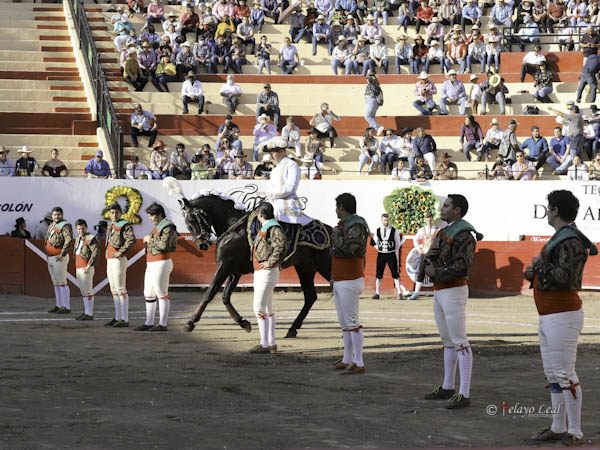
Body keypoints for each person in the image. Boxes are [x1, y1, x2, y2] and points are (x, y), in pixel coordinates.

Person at [525, 190, 597, 447]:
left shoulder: (570, 241)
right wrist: (533, 271)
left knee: (565, 374)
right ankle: (558, 426)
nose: (546, 210)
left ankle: (575, 432)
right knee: (553, 374)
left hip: (562, 314)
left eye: (548, 207)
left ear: (555, 210)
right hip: (550, 314)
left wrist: (537, 267)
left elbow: (566, 277)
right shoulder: (564, 238)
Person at [422, 194, 482, 409]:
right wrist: (429, 255)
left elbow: (463, 267)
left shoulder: (465, 234)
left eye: (446, 206)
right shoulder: (443, 232)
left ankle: (464, 393)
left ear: (457, 210)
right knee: (448, 341)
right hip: (441, 291)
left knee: (459, 340)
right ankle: (448, 386)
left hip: (454, 290)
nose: (442, 209)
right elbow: (428, 266)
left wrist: (435, 270)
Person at [330, 193, 369, 374]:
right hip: (341, 278)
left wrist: (335, 238)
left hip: (350, 278)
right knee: (345, 322)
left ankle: (359, 362)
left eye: (337, 206)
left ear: (342, 207)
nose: (336, 210)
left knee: (352, 320)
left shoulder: (356, 225)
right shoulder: (347, 225)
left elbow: (350, 250)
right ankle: (348, 358)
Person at [248, 202, 286, 353]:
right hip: (263, 271)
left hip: (267, 271)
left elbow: (280, 247)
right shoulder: (268, 227)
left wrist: (270, 262)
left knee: (258, 307)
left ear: (260, 214)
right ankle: (271, 343)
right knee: (267, 308)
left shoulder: (273, 228)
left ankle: (264, 344)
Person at [135, 202, 178, 332]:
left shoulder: (168, 226)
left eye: (152, 215)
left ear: (159, 214)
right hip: (152, 262)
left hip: (161, 262)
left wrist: (149, 240)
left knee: (161, 292)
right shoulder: (159, 226)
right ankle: (149, 322)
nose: (150, 218)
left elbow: (164, 245)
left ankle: (163, 324)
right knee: (148, 293)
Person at [262, 137, 312, 225]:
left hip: (286, 206)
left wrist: (271, 194)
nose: (270, 155)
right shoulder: (275, 168)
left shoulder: (292, 165)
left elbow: (291, 188)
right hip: (272, 203)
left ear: (282, 151)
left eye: (272, 152)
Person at [105, 203, 136, 328]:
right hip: (110, 258)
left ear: (120, 213)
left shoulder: (125, 225)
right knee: (114, 289)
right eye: (112, 213)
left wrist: (121, 252)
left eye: (116, 212)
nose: (114, 215)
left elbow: (131, 240)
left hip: (118, 259)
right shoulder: (110, 225)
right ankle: (118, 317)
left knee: (121, 288)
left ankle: (125, 318)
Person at [45, 207, 74, 315]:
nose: (56, 216)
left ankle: (66, 307)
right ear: (51, 216)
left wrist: (63, 253)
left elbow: (69, 239)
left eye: (58, 215)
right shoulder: (51, 225)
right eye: (54, 215)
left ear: (62, 215)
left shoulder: (65, 225)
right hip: (51, 256)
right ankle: (59, 305)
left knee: (62, 282)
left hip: (59, 257)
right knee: (56, 283)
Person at [370, 213, 404, 300]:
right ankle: (377, 293)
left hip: (391, 254)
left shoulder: (394, 231)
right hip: (381, 254)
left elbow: (397, 244)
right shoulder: (378, 230)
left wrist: (392, 251)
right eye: (385, 220)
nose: (386, 221)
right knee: (379, 274)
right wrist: (379, 248)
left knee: (395, 273)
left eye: (388, 220)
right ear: (382, 220)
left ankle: (399, 293)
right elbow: (374, 242)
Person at [73, 219, 99, 321]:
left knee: (87, 290)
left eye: (82, 228)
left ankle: (89, 313)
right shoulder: (78, 238)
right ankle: (86, 312)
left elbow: (95, 253)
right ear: (76, 229)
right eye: (79, 229)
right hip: (79, 267)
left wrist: (89, 266)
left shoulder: (91, 238)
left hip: (86, 267)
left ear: (86, 227)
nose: (81, 231)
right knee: (83, 290)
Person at [409, 213, 438, 300]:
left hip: (434, 255)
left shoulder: (438, 230)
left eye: (431, 220)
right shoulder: (422, 230)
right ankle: (416, 293)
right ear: (425, 220)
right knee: (421, 273)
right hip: (425, 253)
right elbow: (415, 239)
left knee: (435, 275)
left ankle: (438, 294)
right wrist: (418, 249)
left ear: (433, 220)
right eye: (428, 220)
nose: (429, 222)